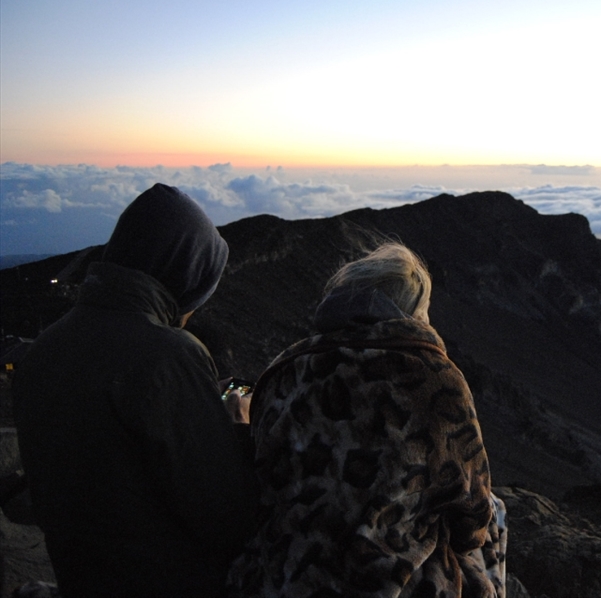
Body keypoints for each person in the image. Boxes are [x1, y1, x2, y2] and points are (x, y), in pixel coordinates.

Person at [13, 184, 260, 598]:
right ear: (184, 275)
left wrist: (190, 400)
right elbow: (226, 517)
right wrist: (235, 425)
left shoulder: (44, 348)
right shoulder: (169, 355)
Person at [228, 243, 507, 598]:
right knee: (495, 512)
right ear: (413, 311)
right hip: (382, 585)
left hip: (279, 578)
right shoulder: (436, 379)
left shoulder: (285, 368)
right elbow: (474, 520)